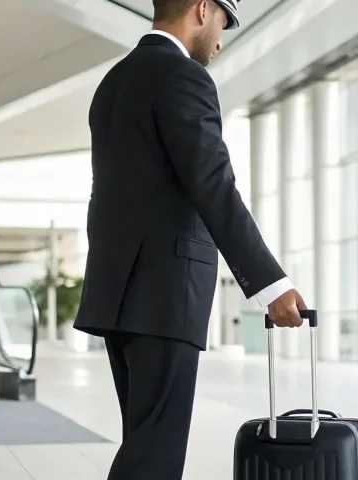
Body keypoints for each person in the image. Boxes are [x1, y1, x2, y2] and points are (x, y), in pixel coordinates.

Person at [74, 0, 307, 478]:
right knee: (154, 455)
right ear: (203, 9)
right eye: (223, 21)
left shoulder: (112, 82)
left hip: (118, 294)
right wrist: (271, 285)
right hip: (164, 293)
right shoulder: (183, 77)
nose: (221, 39)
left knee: (143, 443)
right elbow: (213, 185)